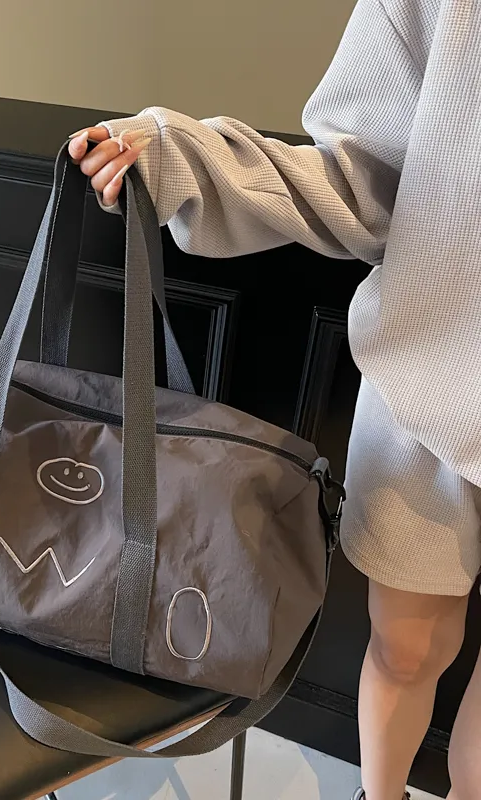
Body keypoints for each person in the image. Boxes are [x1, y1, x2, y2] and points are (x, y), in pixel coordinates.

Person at [69, 0, 481, 798]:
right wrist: (188, 159)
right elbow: (363, 176)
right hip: (424, 373)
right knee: (405, 649)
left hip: (427, 357)